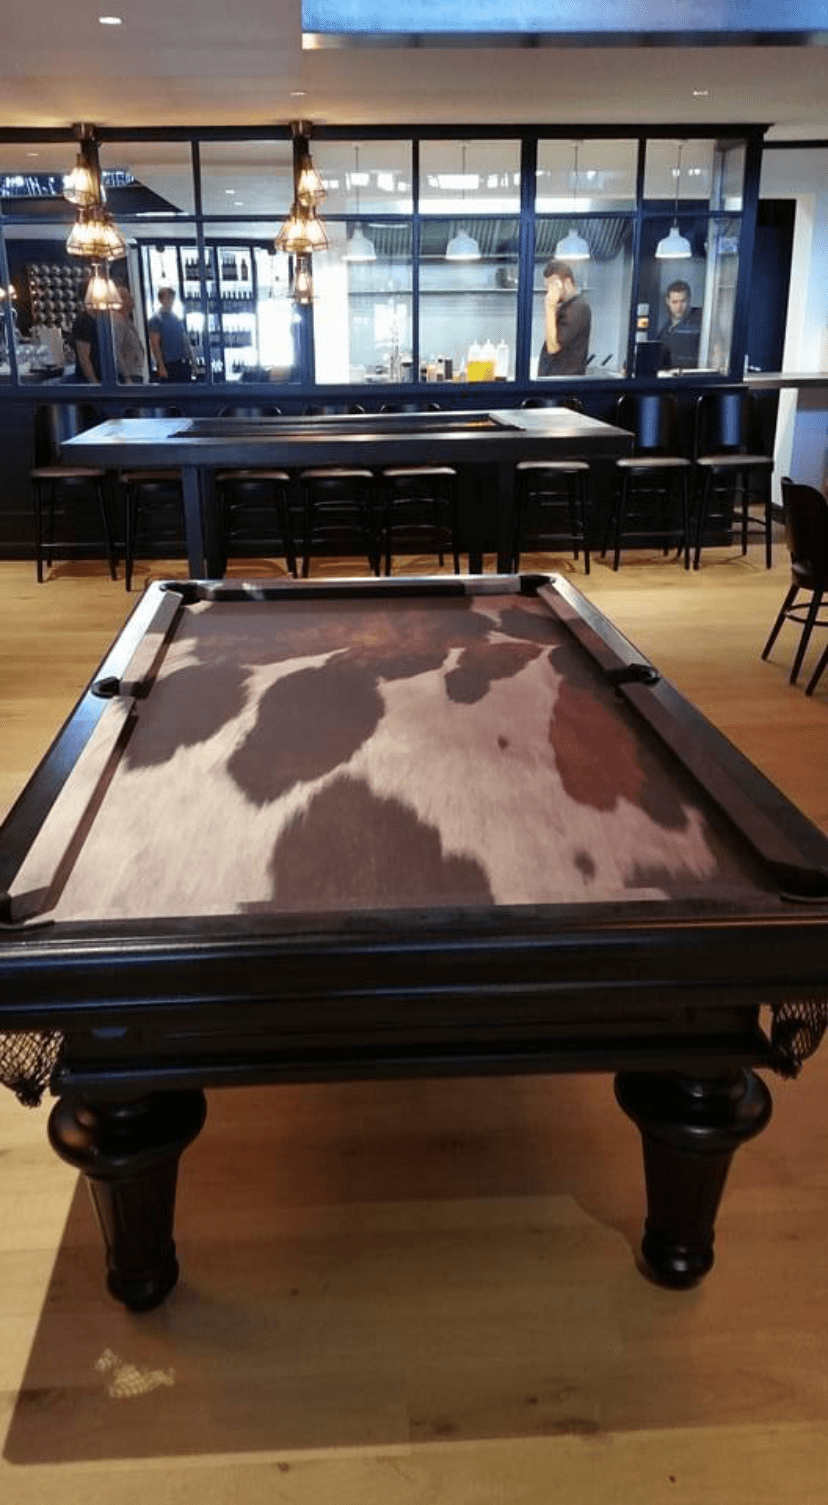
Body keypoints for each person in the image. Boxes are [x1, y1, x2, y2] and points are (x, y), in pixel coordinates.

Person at [538, 259, 591, 377]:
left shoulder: (579, 307)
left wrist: (549, 307)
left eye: (553, 285)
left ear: (567, 282)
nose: (550, 292)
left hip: (564, 385)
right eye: (548, 287)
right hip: (554, 383)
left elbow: (552, 347)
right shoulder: (567, 307)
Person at [148, 286, 193, 382]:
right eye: (168, 298)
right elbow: (155, 345)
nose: (170, 301)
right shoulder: (156, 319)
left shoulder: (177, 318)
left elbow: (185, 341)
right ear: (161, 300)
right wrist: (161, 366)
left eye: (172, 298)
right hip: (169, 364)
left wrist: (193, 362)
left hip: (183, 363)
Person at [656, 279, 701, 370]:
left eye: (683, 301)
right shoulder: (664, 331)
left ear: (689, 300)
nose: (679, 307)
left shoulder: (700, 320)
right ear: (667, 302)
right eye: (675, 302)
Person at [112, 283, 146, 383]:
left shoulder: (126, 320)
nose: (132, 299)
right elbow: (116, 350)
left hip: (134, 373)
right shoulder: (118, 321)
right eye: (129, 297)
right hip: (129, 376)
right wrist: (126, 377)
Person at [70, 284, 100, 383]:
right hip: (89, 383)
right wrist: (95, 384)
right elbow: (84, 359)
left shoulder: (101, 319)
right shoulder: (84, 321)